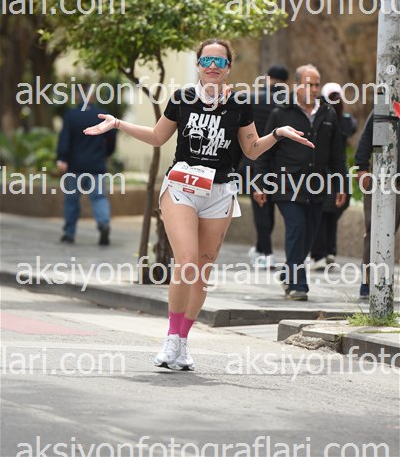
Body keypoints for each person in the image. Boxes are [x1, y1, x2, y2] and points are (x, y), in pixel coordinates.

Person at [83, 39, 314, 371]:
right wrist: (118, 124)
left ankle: (182, 340)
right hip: (181, 187)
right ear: (198, 65)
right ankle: (170, 338)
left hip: (219, 193)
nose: (212, 67)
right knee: (187, 262)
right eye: (207, 61)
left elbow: (250, 149)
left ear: (229, 67)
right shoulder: (182, 99)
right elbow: (157, 136)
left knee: (202, 273)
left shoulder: (239, 104)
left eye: (219, 62)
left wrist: (277, 133)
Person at [254, 65, 347, 301]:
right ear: (297, 86)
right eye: (308, 84)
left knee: (309, 235)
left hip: (317, 186)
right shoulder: (281, 113)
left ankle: (288, 273)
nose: (314, 89)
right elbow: (265, 151)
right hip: (287, 185)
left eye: (316, 85)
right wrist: (259, 183)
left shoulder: (327, 114)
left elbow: (337, 155)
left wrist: (342, 184)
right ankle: (298, 285)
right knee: (297, 228)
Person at [240, 64, 289, 269]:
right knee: (271, 209)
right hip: (279, 163)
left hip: (253, 160)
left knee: (260, 208)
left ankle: (266, 253)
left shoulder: (251, 98)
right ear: (285, 82)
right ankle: (261, 249)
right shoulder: (289, 102)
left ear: (267, 78)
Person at [57, 87, 116, 245]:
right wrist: (106, 154)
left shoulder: (71, 115)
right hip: (96, 166)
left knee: (71, 200)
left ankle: (69, 233)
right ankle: (103, 224)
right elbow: (111, 139)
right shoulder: (101, 115)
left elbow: (65, 138)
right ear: (93, 96)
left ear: (77, 96)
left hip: (74, 167)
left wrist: (62, 158)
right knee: (99, 198)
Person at [310, 82, 357, 270]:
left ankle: (319, 254)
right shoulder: (346, 119)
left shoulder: (323, 115)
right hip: (339, 168)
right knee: (331, 213)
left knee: (321, 213)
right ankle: (330, 251)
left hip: (324, 169)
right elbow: (352, 127)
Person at [355, 110, 400, 298]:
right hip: (383, 180)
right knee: (375, 230)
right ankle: (368, 282)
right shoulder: (386, 109)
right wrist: (361, 168)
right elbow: (368, 139)